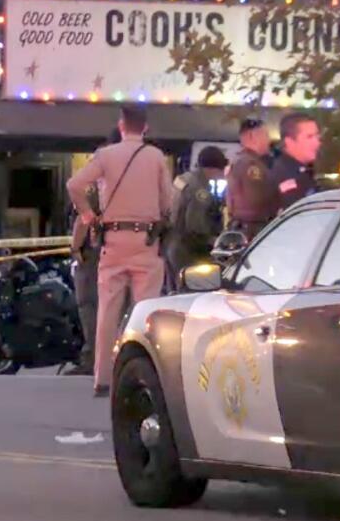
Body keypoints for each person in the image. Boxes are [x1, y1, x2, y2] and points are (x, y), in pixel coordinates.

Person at [66, 106, 173, 398]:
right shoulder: (155, 157)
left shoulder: (105, 156)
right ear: (146, 128)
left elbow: (74, 185)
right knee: (145, 312)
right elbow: (168, 201)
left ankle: (102, 379)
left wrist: (88, 216)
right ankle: (146, 375)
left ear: (121, 125)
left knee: (107, 310)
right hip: (146, 241)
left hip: (112, 240)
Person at [66, 128, 120, 377]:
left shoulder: (102, 173)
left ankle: (93, 358)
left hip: (97, 249)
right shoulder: (140, 169)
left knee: (89, 302)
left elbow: (85, 215)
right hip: (133, 246)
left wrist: (76, 246)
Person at [168, 146, 228, 278]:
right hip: (188, 250)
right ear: (214, 168)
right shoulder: (201, 190)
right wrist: (214, 241)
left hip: (172, 243)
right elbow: (196, 226)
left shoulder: (184, 178)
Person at [225, 118, 277, 240]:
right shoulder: (251, 165)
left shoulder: (239, 161)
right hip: (254, 232)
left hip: (244, 229)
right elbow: (256, 199)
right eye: (265, 135)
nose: (268, 140)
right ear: (252, 136)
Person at [270, 112, 321, 212]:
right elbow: (301, 214)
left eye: (317, 136)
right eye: (309, 137)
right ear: (289, 142)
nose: (317, 142)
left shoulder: (304, 171)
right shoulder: (284, 174)